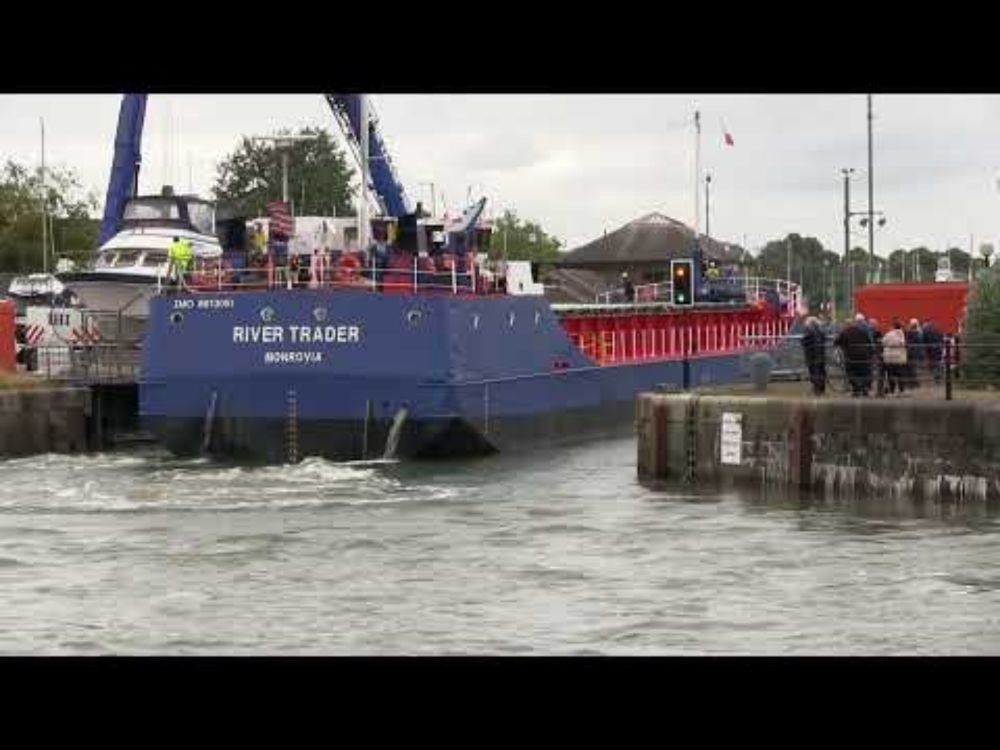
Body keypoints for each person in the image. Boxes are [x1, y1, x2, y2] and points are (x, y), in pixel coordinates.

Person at [834, 313, 874, 397]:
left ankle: (856, 389)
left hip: (851, 357)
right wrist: (870, 354)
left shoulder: (845, 332)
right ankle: (864, 388)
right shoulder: (862, 331)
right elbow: (869, 343)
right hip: (864, 356)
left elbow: (836, 342)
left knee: (851, 373)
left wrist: (841, 344)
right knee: (864, 373)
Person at [800, 316, 827, 396]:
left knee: (814, 372)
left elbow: (804, 341)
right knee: (821, 371)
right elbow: (823, 339)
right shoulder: (821, 331)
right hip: (821, 355)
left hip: (812, 355)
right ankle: (822, 389)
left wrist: (802, 340)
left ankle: (817, 389)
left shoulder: (809, 331)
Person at [882, 318, 908, 396]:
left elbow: (883, 342)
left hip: (889, 358)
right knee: (900, 375)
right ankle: (901, 391)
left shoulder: (889, 334)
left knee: (890, 375)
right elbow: (903, 344)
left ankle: (891, 391)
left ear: (893, 326)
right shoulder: (902, 334)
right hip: (900, 358)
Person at [922, 319, 943, 384]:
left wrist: (925, 348)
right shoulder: (937, 328)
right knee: (937, 363)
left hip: (930, 349)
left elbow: (924, 340)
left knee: (933, 362)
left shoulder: (925, 329)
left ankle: (935, 377)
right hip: (938, 347)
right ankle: (937, 377)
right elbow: (941, 337)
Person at [905, 318, 923, 389]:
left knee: (911, 368)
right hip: (915, 352)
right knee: (912, 368)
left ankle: (913, 383)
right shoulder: (919, 332)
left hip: (911, 352)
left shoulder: (911, 333)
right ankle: (914, 383)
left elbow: (908, 341)